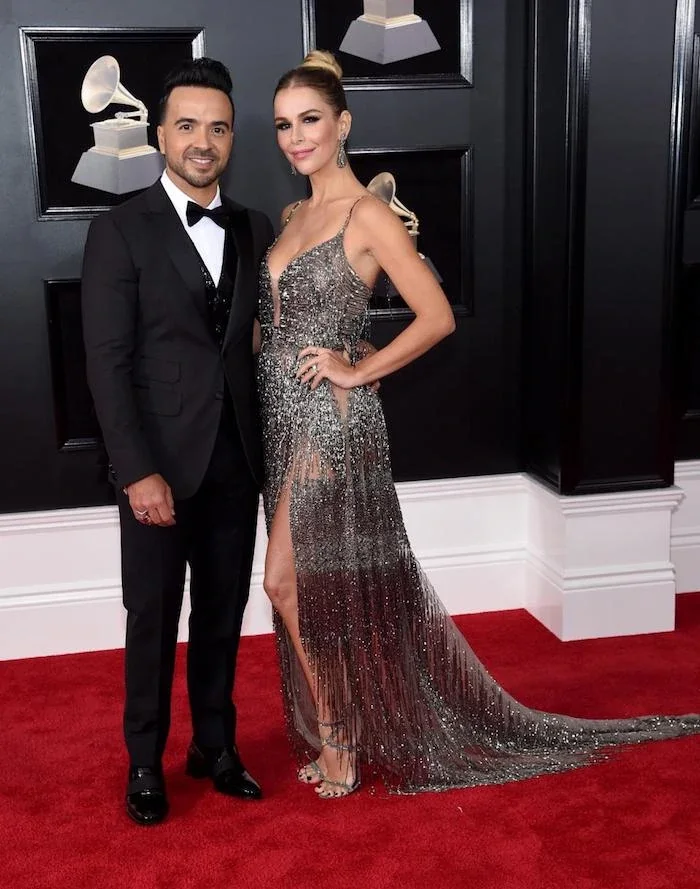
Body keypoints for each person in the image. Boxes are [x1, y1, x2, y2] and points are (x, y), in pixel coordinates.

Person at [258, 50, 700, 800]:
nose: (296, 137)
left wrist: (358, 369)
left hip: (329, 421)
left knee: (284, 579)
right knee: (305, 582)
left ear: (343, 124)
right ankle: (343, 729)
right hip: (280, 414)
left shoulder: (367, 215)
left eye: (310, 120)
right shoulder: (295, 216)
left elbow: (435, 316)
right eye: (282, 125)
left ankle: (341, 739)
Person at [82, 58, 274, 825]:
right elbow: (106, 362)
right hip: (157, 466)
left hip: (237, 459)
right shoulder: (118, 229)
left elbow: (256, 342)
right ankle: (144, 761)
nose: (203, 141)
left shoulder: (255, 227)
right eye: (188, 125)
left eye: (218, 128)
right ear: (160, 135)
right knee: (153, 618)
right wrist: (137, 471)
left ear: (232, 139)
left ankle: (214, 746)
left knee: (223, 613)